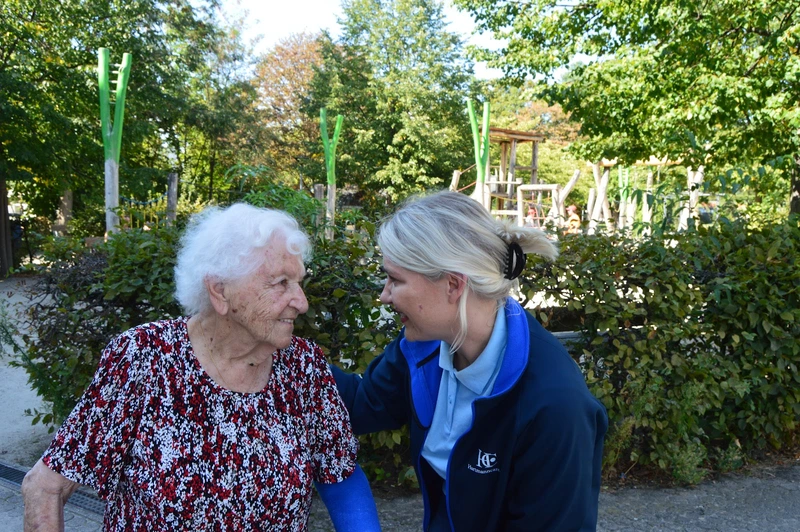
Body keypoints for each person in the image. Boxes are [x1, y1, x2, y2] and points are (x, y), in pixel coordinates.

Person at [22, 204, 380, 531]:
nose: (300, 302)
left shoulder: (304, 367)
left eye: (299, 282)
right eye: (281, 283)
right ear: (220, 291)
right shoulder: (144, 358)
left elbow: (339, 474)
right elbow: (45, 486)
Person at [332, 191, 608, 531]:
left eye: (396, 279)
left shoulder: (554, 407)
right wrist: (289, 355)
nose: (385, 294)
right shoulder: (427, 346)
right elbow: (362, 404)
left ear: (452, 285)